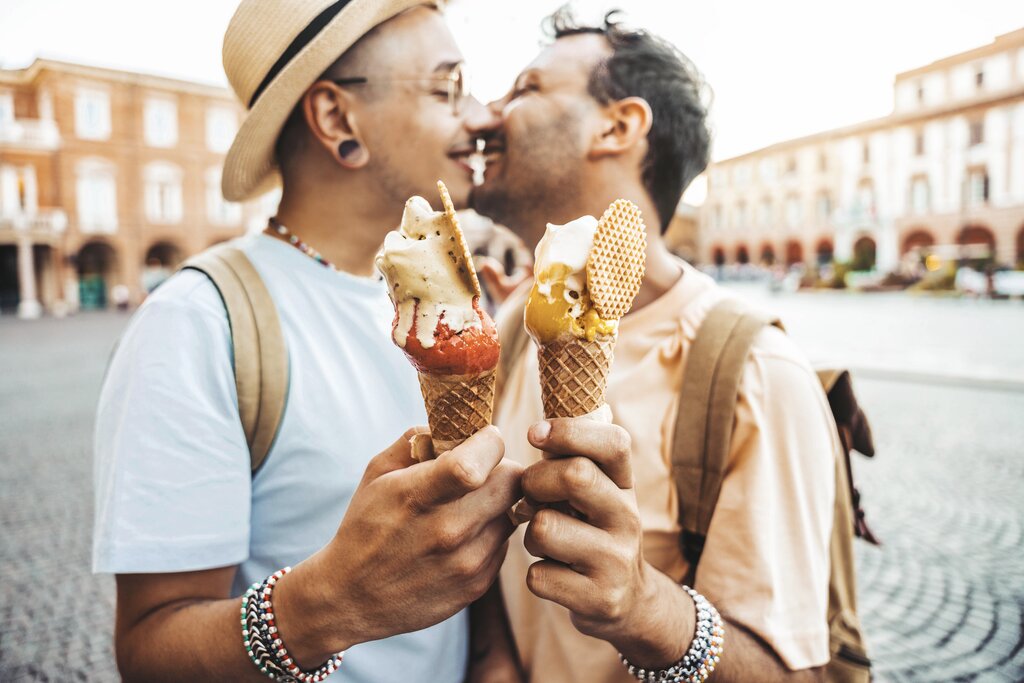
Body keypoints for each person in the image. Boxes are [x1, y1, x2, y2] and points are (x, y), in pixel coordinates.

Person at [92, 1, 521, 681]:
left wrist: (491, 655)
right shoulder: (199, 322)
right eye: (448, 88)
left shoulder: (466, 305)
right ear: (337, 120)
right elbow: (148, 652)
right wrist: (331, 603)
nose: (482, 116)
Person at [467, 8, 839, 682]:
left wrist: (642, 607)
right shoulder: (519, 322)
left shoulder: (756, 373)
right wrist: (495, 663)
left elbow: (796, 675)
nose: (485, 113)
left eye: (525, 88)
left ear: (618, 127)